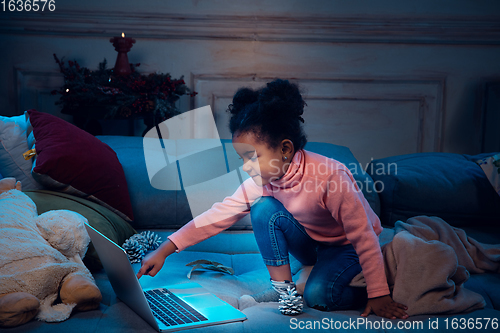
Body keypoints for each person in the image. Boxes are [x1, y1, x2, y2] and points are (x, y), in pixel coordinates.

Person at [137, 79, 408, 319]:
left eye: (252, 157)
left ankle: (365, 291)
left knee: (319, 297)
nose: (246, 166)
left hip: (347, 246)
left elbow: (364, 237)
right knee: (264, 208)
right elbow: (218, 215)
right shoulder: (263, 181)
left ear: (286, 149)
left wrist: (379, 292)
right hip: (314, 243)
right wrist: (165, 249)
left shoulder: (330, 177)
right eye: (242, 158)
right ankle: (286, 292)